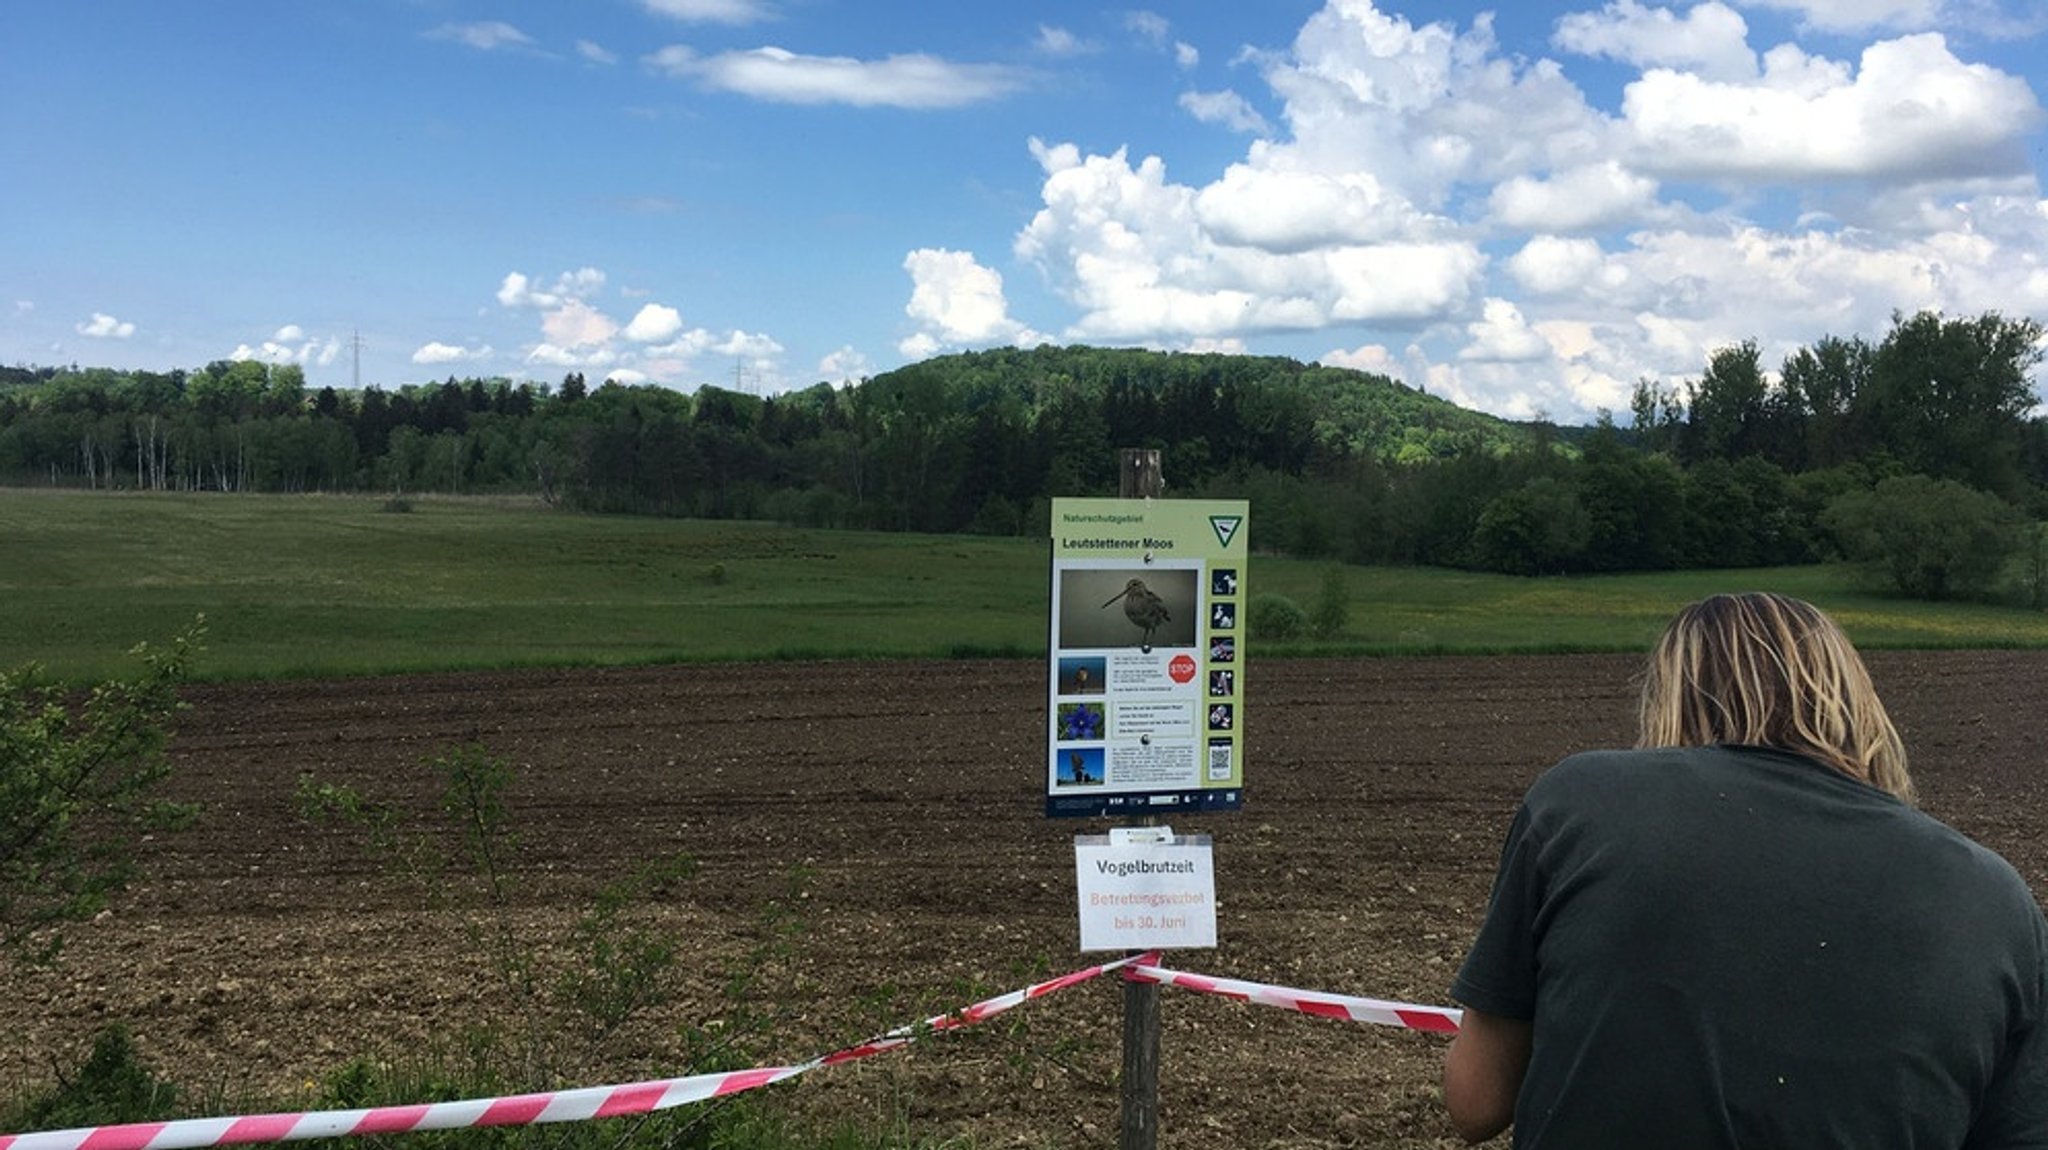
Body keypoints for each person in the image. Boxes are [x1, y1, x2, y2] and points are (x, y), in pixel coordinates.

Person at [1443, 592, 2048, 1147]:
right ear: (1854, 701)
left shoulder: (1582, 801)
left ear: (1675, 697)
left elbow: (1475, 1102)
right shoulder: (1997, 898)